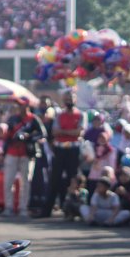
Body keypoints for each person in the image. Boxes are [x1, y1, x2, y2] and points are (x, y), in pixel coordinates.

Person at [39, 90, 84, 218]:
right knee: (54, 180)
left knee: (73, 180)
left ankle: (73, 211)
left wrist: (64, 132)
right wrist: (70, 132)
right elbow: (55, 132)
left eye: (71, 98)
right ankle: (46, 211)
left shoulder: (80, 114)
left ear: (75, 100)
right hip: (60, 150)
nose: (69, 100)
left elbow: (78, 132)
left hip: (73, 151)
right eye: (66, 98)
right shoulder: (59, 115)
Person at [3, 101, 47, 217]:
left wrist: (29, 137)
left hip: (27, 153)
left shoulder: (33, 119)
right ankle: (9, 206)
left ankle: (23, 207)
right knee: (8, 181)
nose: (21, 107)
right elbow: (7, 135)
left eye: (23, 105)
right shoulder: (13, 119)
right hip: (12, 153)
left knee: (26, 182)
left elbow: (43, 134)